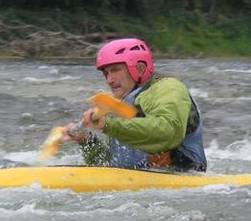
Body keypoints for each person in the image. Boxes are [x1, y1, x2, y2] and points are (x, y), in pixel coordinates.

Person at [63, 38, 207, 172]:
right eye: (106, 73)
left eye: (115, 70)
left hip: (182, 177)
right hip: (143, 184)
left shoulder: (168, 88)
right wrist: (86, 140)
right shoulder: (121, 103)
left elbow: (167, 132)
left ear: (139, 68)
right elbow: (111, 165)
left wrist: (107, 125)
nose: (109, 80)